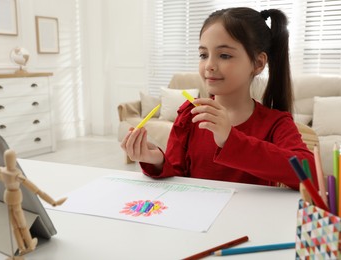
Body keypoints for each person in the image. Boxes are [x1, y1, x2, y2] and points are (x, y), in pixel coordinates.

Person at [121, 7, 317, 190]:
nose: (209, 65)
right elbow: (176, 173)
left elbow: (311, 175)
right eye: (203, 54)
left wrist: (231, 140)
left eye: (224, 55)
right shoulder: (190, 115)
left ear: (258, 63)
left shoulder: (276, 123)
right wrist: (156, 159)